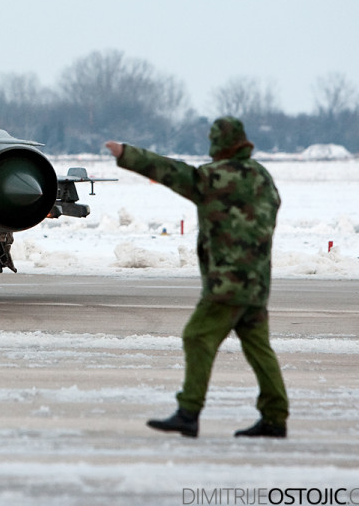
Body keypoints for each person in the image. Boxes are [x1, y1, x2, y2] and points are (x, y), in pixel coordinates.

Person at [105, 117, 289, 438]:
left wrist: (126, 154)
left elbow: (171, 172)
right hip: (257, 283)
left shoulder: (213, 178)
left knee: (197, 336)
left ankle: (188, 412)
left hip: (227, 285)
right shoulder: (262, 175)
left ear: (219, 143)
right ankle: (275, 417)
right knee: (259, 348)